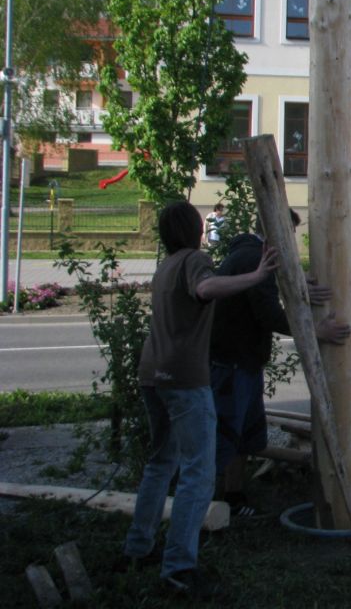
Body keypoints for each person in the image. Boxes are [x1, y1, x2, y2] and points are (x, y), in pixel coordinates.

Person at [124, 201, 279, 599]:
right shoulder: (195, 260)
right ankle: (179, 568)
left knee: (161, 463)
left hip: (152, 374)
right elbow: (206, 288)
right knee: (198, 473)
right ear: (196, 230)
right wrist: (257, 275)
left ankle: (138, 547)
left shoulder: (165, 266)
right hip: (184, 378)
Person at [208, 209, 349, 518]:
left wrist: (297, 287)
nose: (293, 242)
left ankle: (233, 497)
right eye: (291, 234)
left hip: (241, 362)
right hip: (232, 364)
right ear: (277, 231)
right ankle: (201, 510)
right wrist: (315, 331)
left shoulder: (252, 254)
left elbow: (266, 292)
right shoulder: (252, 258)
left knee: (241, 437)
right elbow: (269, 314)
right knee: (225, 437)